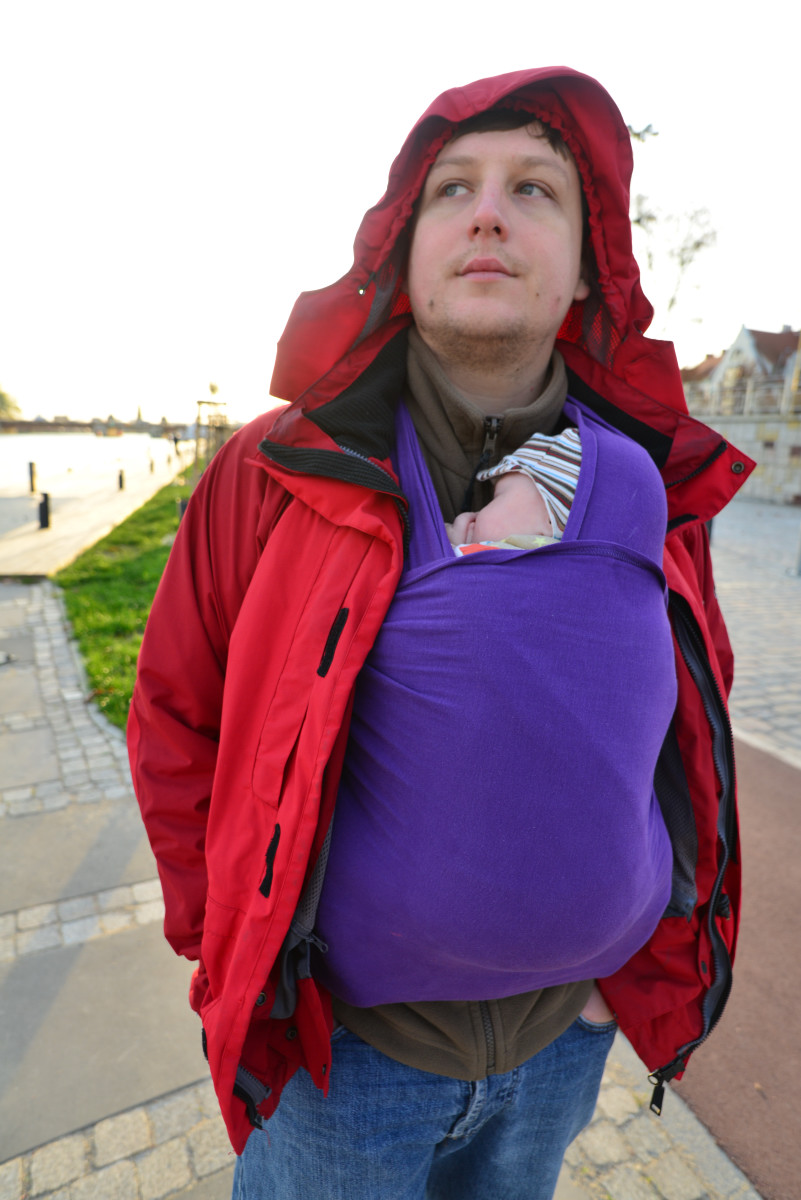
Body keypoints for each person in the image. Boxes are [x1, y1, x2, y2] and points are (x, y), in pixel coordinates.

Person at [128, 67, 753, 1200]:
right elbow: (175, 716)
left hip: (564, 1049)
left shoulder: (653, 488)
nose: (488, 214)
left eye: (535, 189)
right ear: (401, 254)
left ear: (587, 268)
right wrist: (231, 950)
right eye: (451, 188)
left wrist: (623, 971)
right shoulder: (275, 473)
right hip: (344, 1069)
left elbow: (684, 723)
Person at [445, 426, 581, 551]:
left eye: (497, 498)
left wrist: (449, 543)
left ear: (549, 522)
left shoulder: (497, 555)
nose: (478, 512)